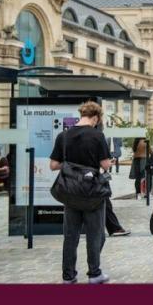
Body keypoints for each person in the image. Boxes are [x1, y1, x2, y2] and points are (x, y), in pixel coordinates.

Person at [49, 101, 112, 284]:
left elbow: (53, 165)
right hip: (91, 192)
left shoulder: (64, 135)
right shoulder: (97, 136)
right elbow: (105, 164)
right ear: (96, 117)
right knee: (96, 234)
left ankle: (68, 276)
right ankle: (94, 274)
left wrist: (70, 166)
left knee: (70, 236)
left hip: (70, 193)